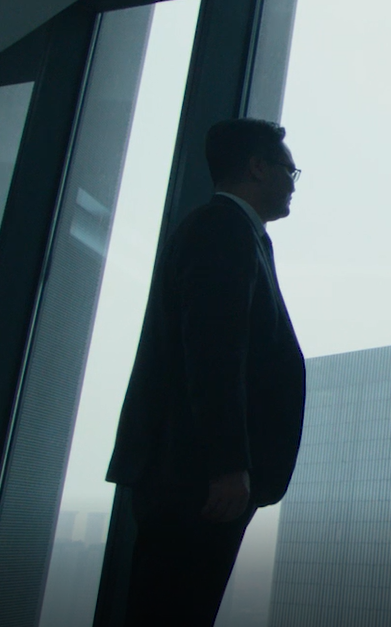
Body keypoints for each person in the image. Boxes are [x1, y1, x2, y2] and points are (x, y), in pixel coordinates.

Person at [106, 118, 306, 626]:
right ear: (257, 168)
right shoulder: (223, 232)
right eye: (289, 171)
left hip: (192, 474)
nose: (293, 183)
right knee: (173, 609)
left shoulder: (234, 233)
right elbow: (214, 355)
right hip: (198, 479)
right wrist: (227, 465)